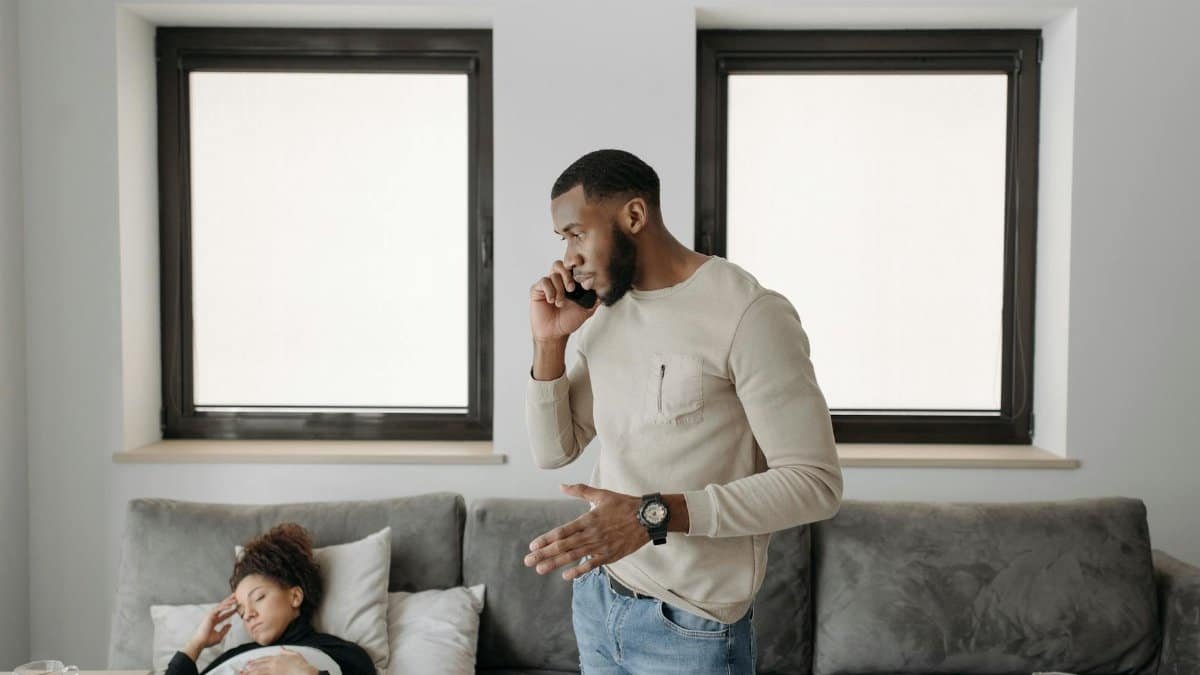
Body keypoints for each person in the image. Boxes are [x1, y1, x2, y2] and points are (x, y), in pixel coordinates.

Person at [523, 149, 843, 673]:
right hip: (600, 601)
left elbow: (815, 483)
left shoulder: (749, 313)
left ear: (633, 216)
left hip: (692, 631)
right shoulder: (604, 312)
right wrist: (549, 343)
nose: (569, 257)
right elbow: (553, 450)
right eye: (563, 241)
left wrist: (652, 515)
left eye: (577, 233)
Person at [166, 523, 375, 675]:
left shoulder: (345, 654)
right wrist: (197, 643)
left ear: (295, 596)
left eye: (258, 597)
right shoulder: (231, 658)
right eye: (240, 611)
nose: (248, 614)